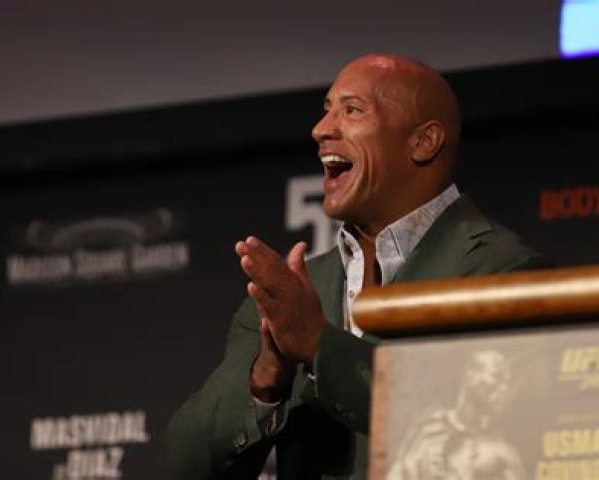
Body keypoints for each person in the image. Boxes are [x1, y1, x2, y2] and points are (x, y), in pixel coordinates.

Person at [166, 53, 548, 479]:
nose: (320, 129)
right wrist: (266, 378)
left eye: (352, 110)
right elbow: (186, 465)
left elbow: (479, 426)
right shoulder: (293, 294)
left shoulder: (506, 272)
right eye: (327, 109)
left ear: (423, 142)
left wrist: (319, 346)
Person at [387, 350, 525, 480]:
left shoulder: (503, 454)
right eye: (496, 376)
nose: (504, 388)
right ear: (471, 376)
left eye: (507, 383)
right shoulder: (426, 429)